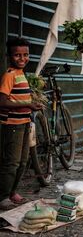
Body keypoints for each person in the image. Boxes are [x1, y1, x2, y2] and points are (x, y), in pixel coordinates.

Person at [0, 38, 44, 210]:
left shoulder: (21, 74)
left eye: (25, 55)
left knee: (23, 161)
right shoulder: (9, 75)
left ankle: (12, 192)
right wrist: (27, 105)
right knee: (11, 162)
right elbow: (2, 101)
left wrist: (30, 104)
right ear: (9, 56)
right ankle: (3, 196)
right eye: (17, 55)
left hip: (24, 123)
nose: (22, 58)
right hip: (12, 125)